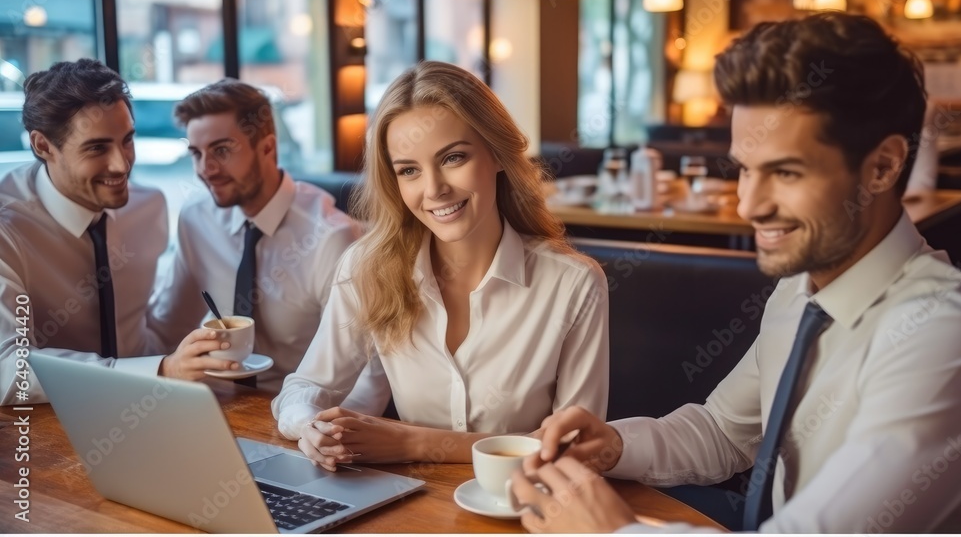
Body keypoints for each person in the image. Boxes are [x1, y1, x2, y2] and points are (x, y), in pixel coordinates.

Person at [510, 13, 961, 533]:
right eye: (745, 168)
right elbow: (723, 431)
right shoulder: (799, 292)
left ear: (882, 167)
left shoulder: (944, 332)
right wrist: (615, 445)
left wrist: (613, 531)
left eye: (785, 172)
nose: (750, 204)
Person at [272, 60, 609, 467]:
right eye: (409, 170)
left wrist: (413, 444)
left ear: (498, 155)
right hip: (411, 507)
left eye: (453, 158)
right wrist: (310, 426)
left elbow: (574, 446)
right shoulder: (366, 268)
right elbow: (305, 387)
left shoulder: (573, 284)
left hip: (527, 509)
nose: (434, 189)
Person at [0, 59, 227, 405]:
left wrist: (182, 360)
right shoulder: (7, 228)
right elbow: (8, 369)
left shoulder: (148, 208)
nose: (122, 164)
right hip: (52, 422)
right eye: (96, 148)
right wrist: (159, 371)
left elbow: (145, 325)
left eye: (127, 141)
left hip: (155, 406)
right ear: (43, 146)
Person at [146, 79, 383, 400]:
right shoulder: (195, 218)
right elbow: (166, 329)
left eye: (221, 150)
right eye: (196, 153)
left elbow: (362, 365)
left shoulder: (331, 237)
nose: (206, 169)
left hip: (300, 410)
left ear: (268, 148)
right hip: (213, 404)